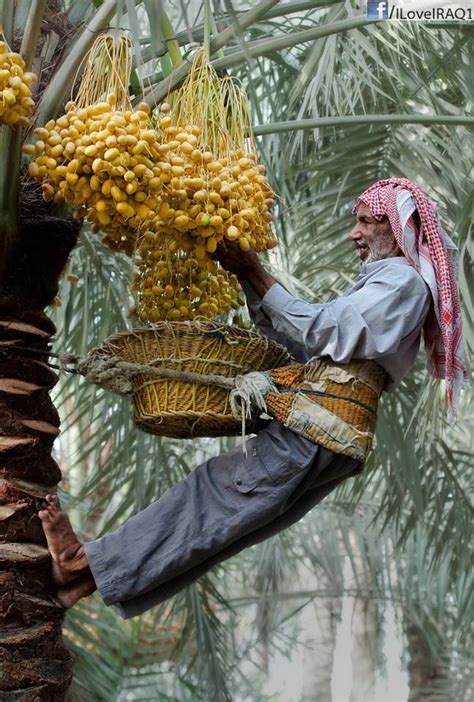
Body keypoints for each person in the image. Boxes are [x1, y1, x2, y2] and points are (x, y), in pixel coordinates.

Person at [38, 177, 468, 617]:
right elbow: (310, 348)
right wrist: (252, 285)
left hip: (318, 427)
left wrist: (256, 273)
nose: (353, 234)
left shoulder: (401, 281)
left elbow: (325, 329)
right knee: (229, 526)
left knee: (212, 495)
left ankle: (81, 559)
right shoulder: (390, 285)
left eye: (364, 222)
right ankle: (80, 583)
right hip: (335, 438)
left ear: (396, 230)